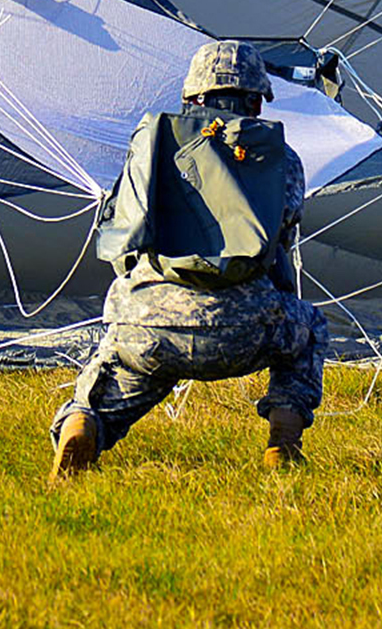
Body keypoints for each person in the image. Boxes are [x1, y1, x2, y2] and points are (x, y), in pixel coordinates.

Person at [51, 39, 326, 478]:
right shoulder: (281, 159)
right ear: (256, 100)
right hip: (246, 330)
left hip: (151, 327)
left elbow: (121, 233)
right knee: (309, 327)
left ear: (191, 94)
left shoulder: (151, 145)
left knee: (118, 371)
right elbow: (282, 235)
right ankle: (283, 444)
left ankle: (84, 423)